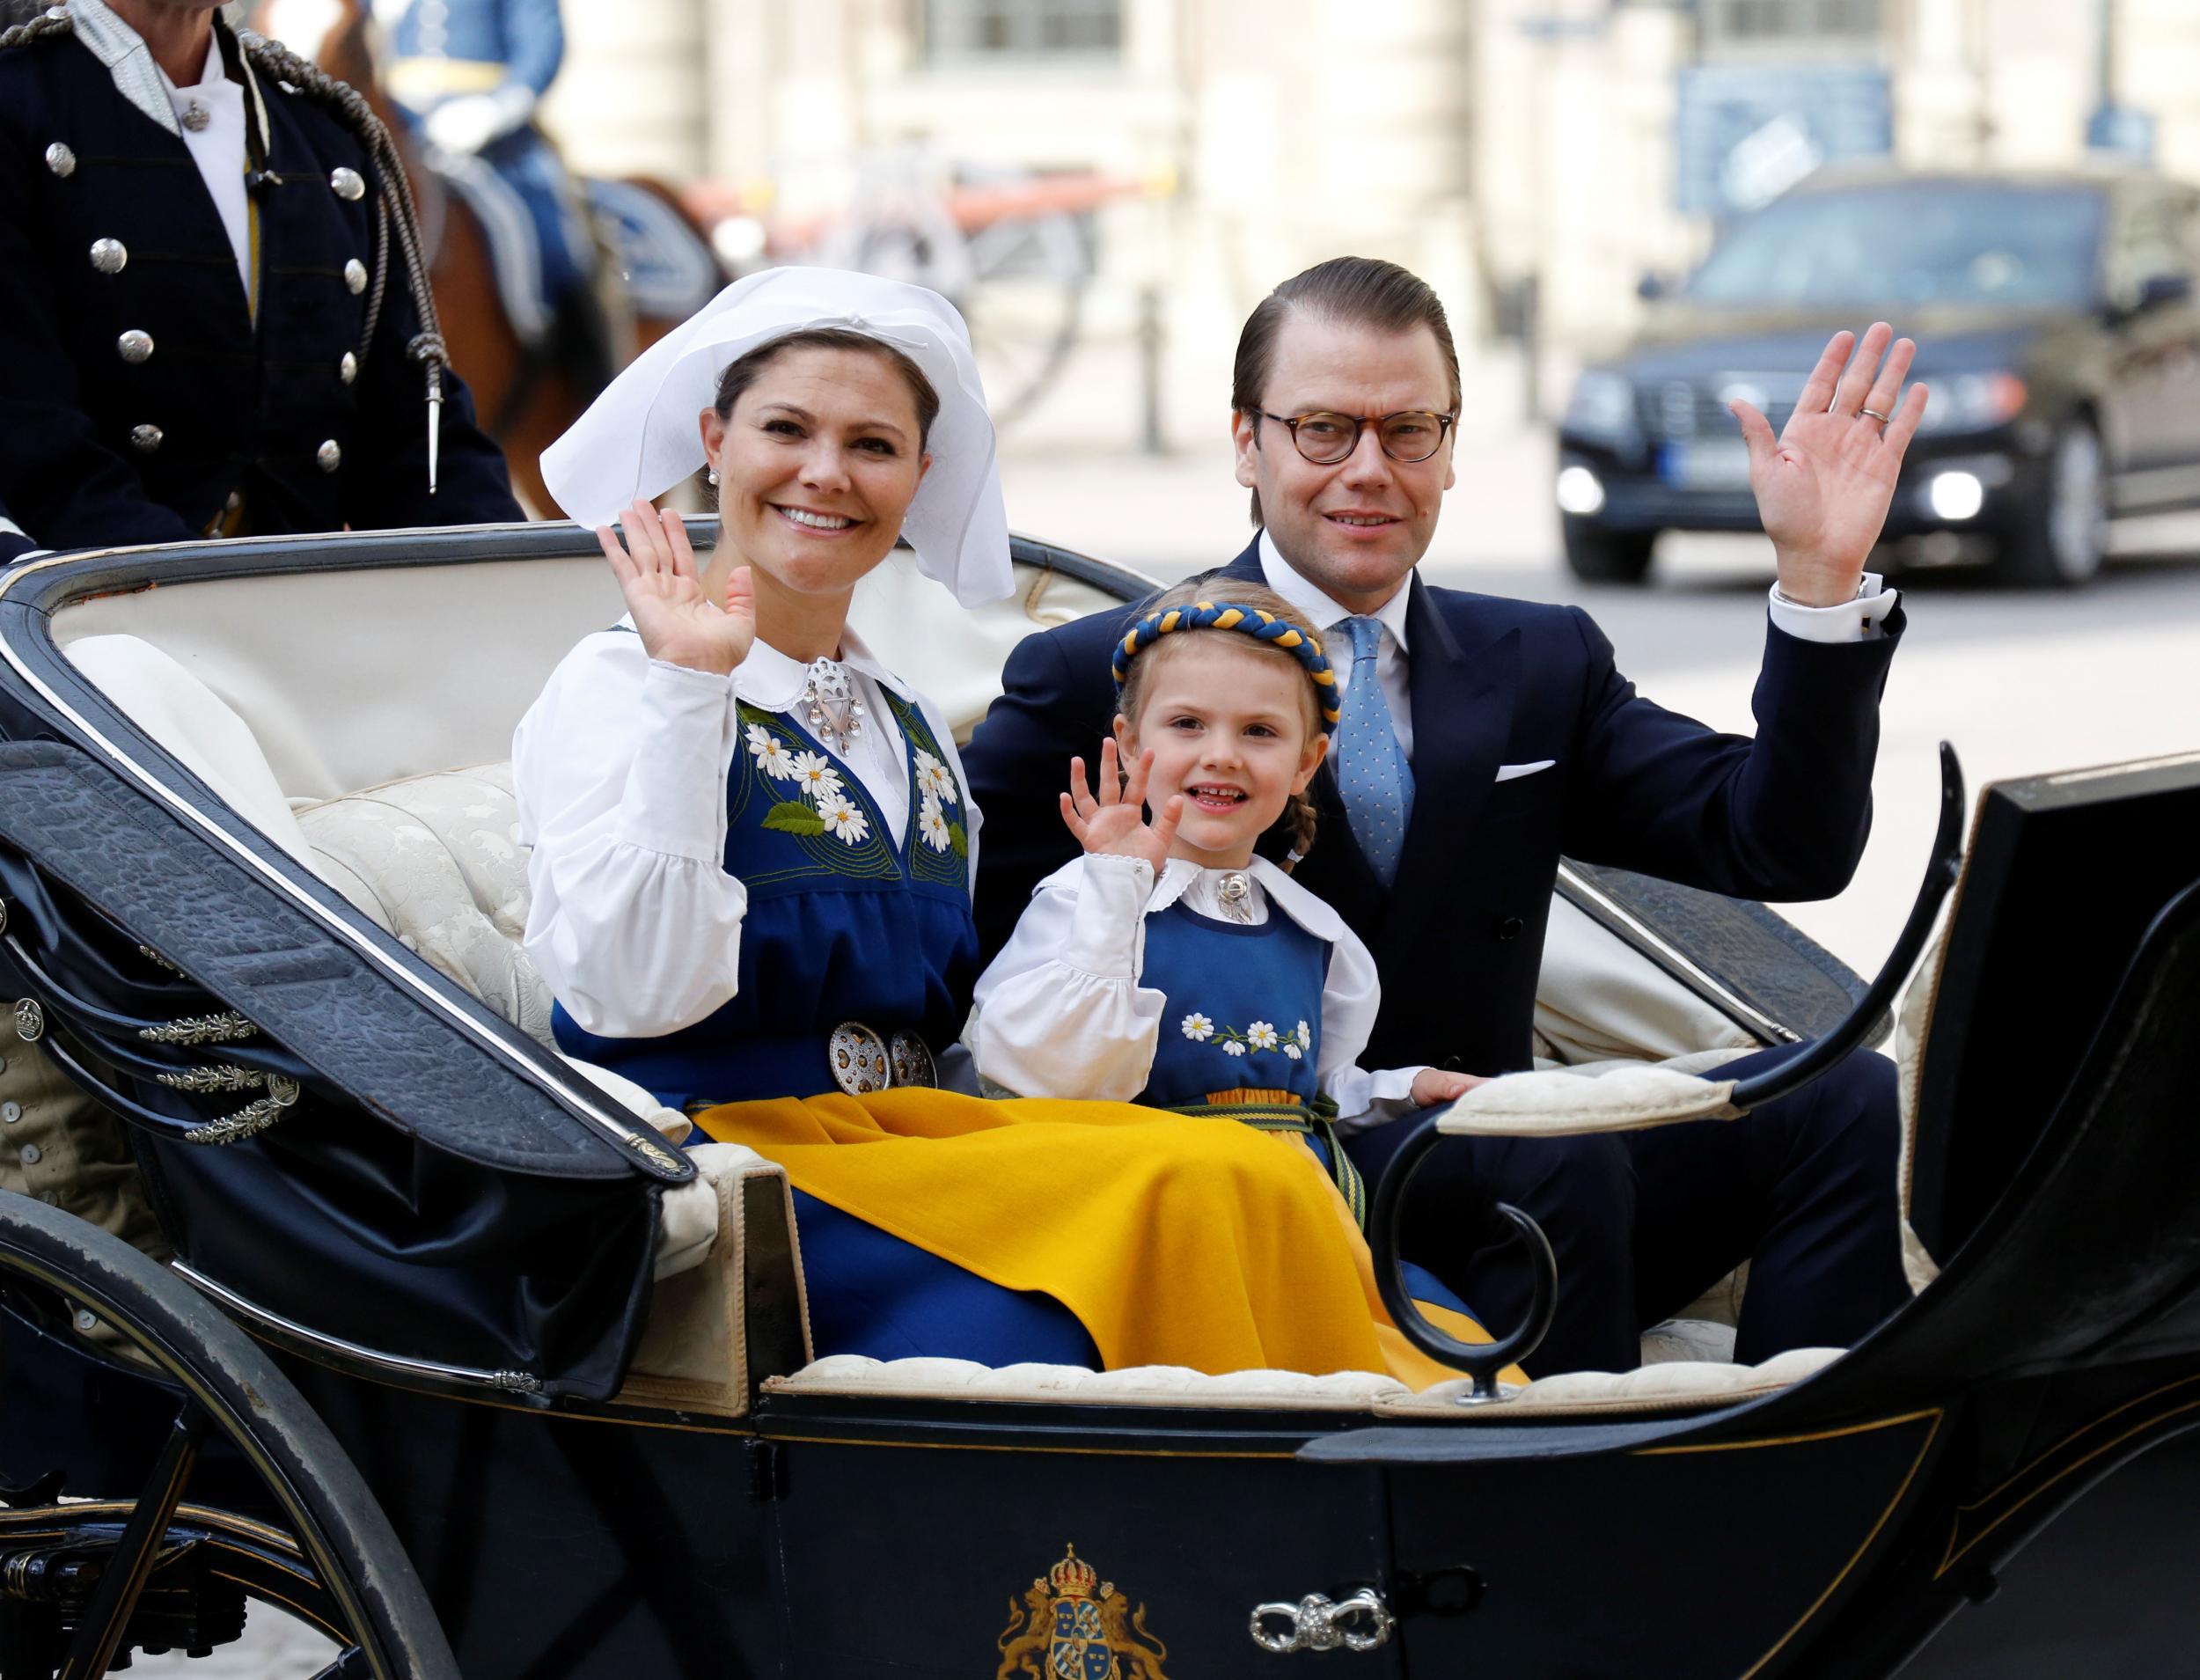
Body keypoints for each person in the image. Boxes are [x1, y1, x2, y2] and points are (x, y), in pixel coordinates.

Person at [516, 266, 1504, 1386]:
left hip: (921, 1143)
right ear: (715, 438)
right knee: (1144, 1235)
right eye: (786, 428)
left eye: (874, 445)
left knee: (1251, 1175)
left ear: (919, 477)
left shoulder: (912, 729)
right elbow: (629, 990)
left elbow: (970, 1023)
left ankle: (1393, 1464)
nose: (826, 474)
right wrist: (693, 688)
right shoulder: (624, 685)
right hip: (737, 1167)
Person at [962, 255, 1923, 1376]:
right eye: (1323, 428)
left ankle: (1817, 1464)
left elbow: (1781, 843)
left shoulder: (1539, 659)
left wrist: (1815, 580)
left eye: (1408, 430)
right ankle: (1574, 1510)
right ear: (1245, 442)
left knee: (1836, 1090)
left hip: (1505, 1173)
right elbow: (980, 976)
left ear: (1451, 447)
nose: (1368, 470)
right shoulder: (1098, 675)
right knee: (1551, 1151)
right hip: (1258, 1200)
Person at [0, 0, 521, 568]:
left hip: (293, 621)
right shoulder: (17, 111)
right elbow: (32, 447)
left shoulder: (327, 138)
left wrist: (524, 579)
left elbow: (416, 454)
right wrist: (214, 600)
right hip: (77, 619)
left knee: (549, 244)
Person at [375, 0, 596, 344]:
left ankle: (577, 364)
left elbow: (541, 47)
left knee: (559, 244)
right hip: (401, 134)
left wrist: (495, 111)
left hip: (499, 146)